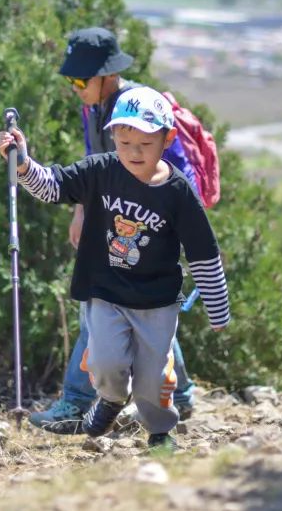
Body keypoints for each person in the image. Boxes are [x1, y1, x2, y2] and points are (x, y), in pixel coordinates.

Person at [0, 86, 230, 450]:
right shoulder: (102, 171)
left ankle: (159, 432)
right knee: (105, 361)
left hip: (157, 302)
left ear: (167, 139)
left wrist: (218, 310)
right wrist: (24, 164)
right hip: (105, 291)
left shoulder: (177, 191)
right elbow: (53, 186)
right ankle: (110, 399)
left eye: (145, 145)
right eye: (124, 143)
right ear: (113, 138)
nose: (134, 154)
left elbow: (203, 253)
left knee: (153, 380)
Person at [30, 27, 200, 434]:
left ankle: (76, 399)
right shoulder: (95, 107)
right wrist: (83, 210)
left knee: (101, 296)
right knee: (145, 301)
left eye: (79, 80)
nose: (74, 88)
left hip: (160, 219)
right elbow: (98, 166)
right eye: (70, 79)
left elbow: (166, 176)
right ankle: (179, 395)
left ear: (106, 76)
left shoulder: (136, 110)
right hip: (126, 218)